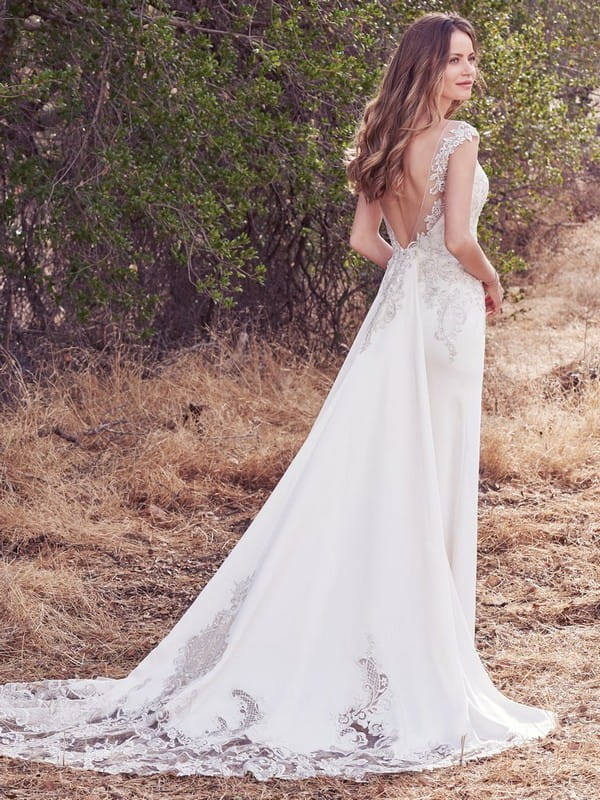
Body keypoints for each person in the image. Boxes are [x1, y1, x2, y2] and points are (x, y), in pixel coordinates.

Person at [0, 12, 556, 782]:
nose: (469, 71)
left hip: (402, 317)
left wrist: (409, 271)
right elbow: (460, 238)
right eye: (455, 60)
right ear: (424, 67)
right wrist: (489, 278)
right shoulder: (459, 143)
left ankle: (379, 634)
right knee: (431, 477)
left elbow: (366, 244)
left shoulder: (383, 142)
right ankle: (424, 652)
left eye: (472, 59)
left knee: (384, 473)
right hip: (448, 319)